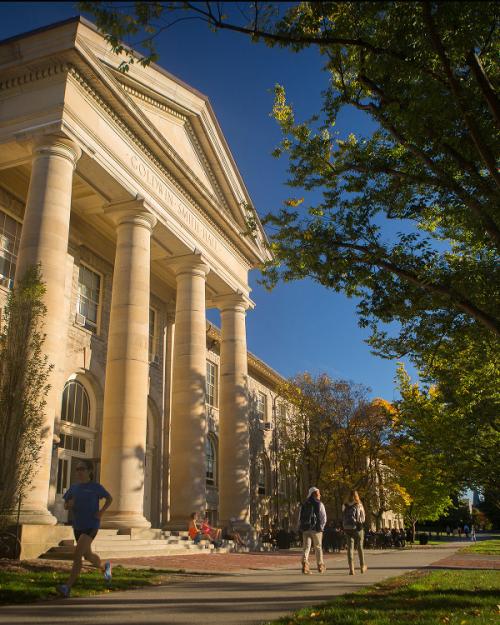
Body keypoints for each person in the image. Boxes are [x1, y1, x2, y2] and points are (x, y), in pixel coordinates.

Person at [57, 460, 113, 598]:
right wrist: (68, 505)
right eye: (77, 469)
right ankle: (105, 567)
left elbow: (109, 498)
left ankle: (67, 587)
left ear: (89, 471)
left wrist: (101, 512)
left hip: (91, 525)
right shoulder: (74, 488)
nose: (79, 472)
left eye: (81, 469)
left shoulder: (95, 487)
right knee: (88, 555)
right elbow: (66, 505)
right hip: (78, 525)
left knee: (77, 555)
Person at [297, 486, 327, 574]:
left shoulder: (304, 504)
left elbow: (300, 517)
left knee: (306, 547)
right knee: (318, 547)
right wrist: (321, 527)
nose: (320, 495)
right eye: (318, 493)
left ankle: (305, 565)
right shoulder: (319, 504)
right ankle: (320, 565)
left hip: (305, 528)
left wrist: (301, 526)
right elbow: (324, 517)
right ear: (314, 494)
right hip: (316, 529)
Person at [342, 489, 367, 575]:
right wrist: (360, 522)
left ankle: (351, 569)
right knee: (360, 546)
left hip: (347, 528)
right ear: (357, 496)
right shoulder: (359, 505)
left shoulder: (345, 505)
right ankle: (362, 566)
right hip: (357, 528)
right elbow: (363, 517)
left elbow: (343, 515)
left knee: (350, 548)